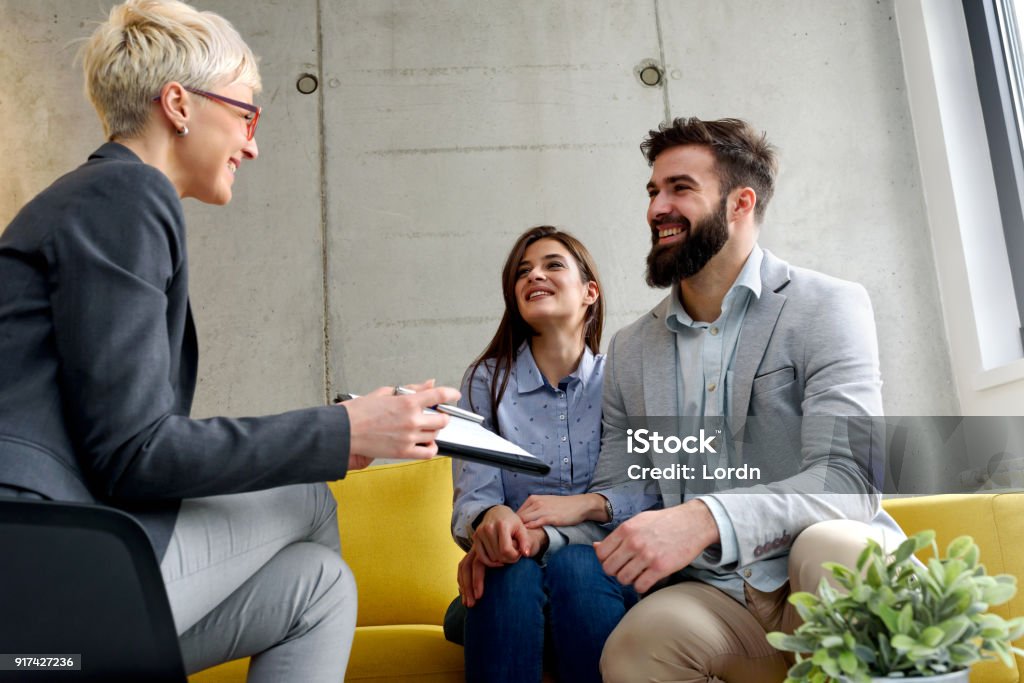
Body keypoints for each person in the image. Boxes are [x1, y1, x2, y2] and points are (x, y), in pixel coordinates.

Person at [0, 1, 458, 680]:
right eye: (247, 113)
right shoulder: (124, 195)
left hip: (50, 566)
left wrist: (348, 434)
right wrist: (341, 429)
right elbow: (134, 453)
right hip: (42, 571)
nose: (252, 143)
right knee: (308, 495)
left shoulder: (91, 201)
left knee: (318, 586)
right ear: (179, 104)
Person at [552, 117, 904, 682]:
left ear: (740, 203)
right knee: (633, 650)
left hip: (816, 576)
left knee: (835, 546)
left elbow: (850, 479)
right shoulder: (630, 349)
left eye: (680, 189)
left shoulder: (827, 307)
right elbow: (627, 490)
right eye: (652, 191)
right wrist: (534, 533)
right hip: (718, 599)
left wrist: (706, 517)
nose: (656, 208)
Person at [445, 226, 636, 683]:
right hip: (513, 584)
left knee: (577, 566)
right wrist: (490, 522)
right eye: (523, 271)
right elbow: (475, 495)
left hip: (601, 583)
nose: (535, 276)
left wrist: (550, 533)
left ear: (590, 292)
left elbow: (642, 496)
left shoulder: (623, 380)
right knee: (509, 575)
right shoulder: (485, 381)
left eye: (553, 265)